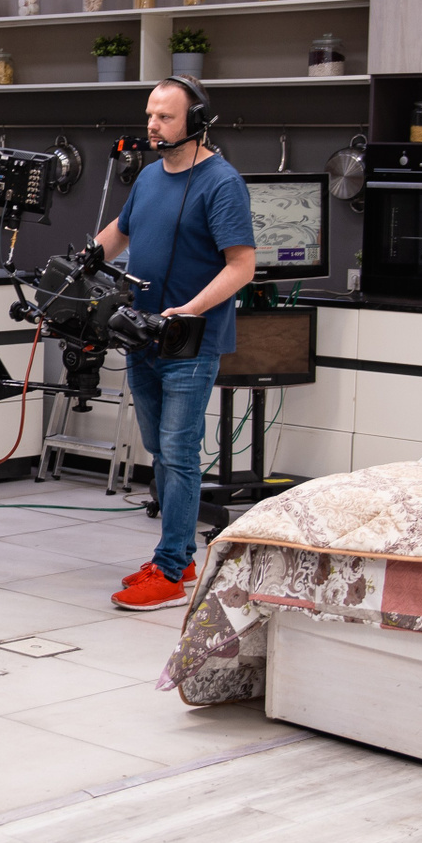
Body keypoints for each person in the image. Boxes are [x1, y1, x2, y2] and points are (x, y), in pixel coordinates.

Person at [94, 75, 255, 611]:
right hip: (140, 335)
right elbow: (120, 231)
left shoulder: (222, 183)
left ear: (197, 121)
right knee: (161, 450)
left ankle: (169, 572)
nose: (153, 125)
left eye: (164, 117)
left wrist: (189, 309)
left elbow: (242, 266)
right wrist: (83, 261)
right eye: (150, 115)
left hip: (190, 340)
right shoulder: (148, 177)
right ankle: (180, 555)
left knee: (180, 452)